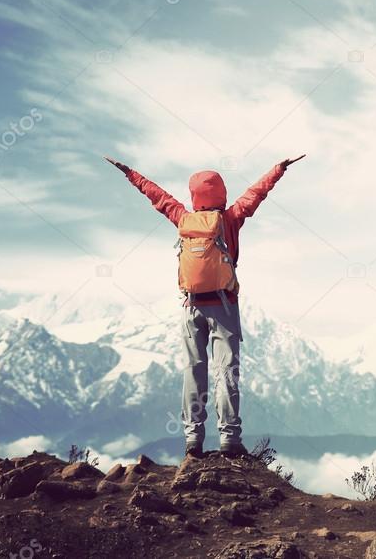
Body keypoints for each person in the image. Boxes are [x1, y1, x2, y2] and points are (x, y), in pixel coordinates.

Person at [104, 154, 304, 458]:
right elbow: (256, 193)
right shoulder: (229, 220)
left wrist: (130, 173)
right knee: (226, 372)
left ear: (195, 195)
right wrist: (279, 169)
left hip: (191, 306)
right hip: (224, 306)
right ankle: (228, 439)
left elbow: (157, 196)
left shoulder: (183, 218)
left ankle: (193, 439)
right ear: (220, 193)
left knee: (193, 371)